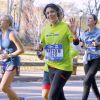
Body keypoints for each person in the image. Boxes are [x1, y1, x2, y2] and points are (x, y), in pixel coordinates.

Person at [34, 3, 79, 100]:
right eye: (47, 13)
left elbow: (76, 48)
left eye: (52, 11)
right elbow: (41, 53)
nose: (50, 14)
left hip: (64, 67)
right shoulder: (45, 30)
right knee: (59, 97)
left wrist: (74, 34)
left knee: (52, 96)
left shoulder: (66, 27)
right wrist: (39, 49)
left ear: (57, 12)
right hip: (50, 67)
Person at [0, 14, 24, 100]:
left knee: (3, 87)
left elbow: (21, 50)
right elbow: (2, 49)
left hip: (13, 62)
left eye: (2, 20)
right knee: (7, 87)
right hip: (4, 63)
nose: (0, 21)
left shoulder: (11, 34)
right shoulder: (1, 34)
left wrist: (8, 55)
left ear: (8, 23)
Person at [80, 14, 100, 100]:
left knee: (86, 81)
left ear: (95, 21)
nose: (88, 20)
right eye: (87, 18)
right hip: (86, 59)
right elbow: (80, 45)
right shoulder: (84, 34)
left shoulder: (99, 32)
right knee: (91, 82)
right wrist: (81, 45)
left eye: (90, 18)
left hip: (97, 58)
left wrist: (99, 43)